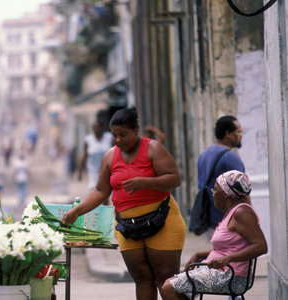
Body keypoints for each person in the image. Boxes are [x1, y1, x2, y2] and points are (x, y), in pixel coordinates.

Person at [62, 107, 186, 300]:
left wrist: (145, 182)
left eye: (123, 135)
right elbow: (101, 191)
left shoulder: (153, 148)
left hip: (162, 221)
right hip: (128, 228)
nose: (118, 140)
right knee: (142, 279)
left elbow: (174, 179)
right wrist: (77, 211)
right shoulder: (110, 156)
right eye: (114, 135)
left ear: (136, 130)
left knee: (165, 280)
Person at [161, 170, 267, 299]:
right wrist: (199, 254)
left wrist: (228, 259)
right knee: (170, 284)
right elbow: (227, 249)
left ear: (226, 195)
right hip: (222, 271)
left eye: (215, 190)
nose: (213, 194)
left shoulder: (242, 213)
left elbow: (261, 246)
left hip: (231, 276)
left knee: (168, 288)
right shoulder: (232, 212)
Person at [196, 115, 245, 230]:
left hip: (209, 220)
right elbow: (243, 192)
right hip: (229, 221)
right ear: (228, 134)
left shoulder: (204, 154)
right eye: (238, 131)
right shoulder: (230, 157)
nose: (241, 135)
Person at [77, 120, 113, 191]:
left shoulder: (109, 137)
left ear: (102, 127)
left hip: (106, 170)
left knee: (105, 192)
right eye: (95, 127)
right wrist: (80, 172)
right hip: (93, 171)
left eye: (98, 127)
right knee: (94, 192)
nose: (97, 129)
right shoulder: (88, 140)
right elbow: (85, 156)